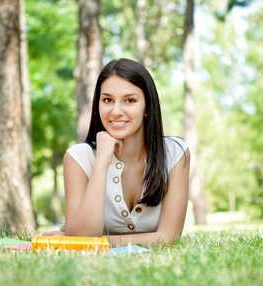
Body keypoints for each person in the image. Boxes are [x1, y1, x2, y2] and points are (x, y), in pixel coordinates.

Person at [43, 58, 190, 247]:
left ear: (147, 108)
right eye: (107, 100)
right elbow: (83, 235)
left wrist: (99, 241)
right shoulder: (78, 157)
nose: (116, 111)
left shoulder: (174, 154)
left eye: (130, 100)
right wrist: (102, 161)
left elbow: (169, 238)